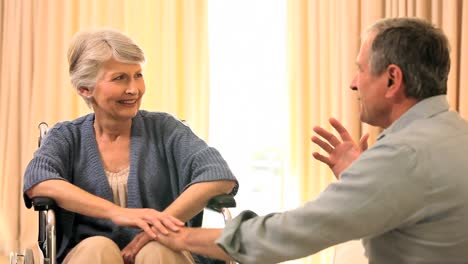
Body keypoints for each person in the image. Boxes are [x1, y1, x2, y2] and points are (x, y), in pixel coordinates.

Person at [154, 17, 468, 263]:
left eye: (360, 70)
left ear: (391, 79)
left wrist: (183, 237)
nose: (353, 83)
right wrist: (363, 178)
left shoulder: (403, 155)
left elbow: (295, 232)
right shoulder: (455, 133)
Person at [23, 28, 238, 264]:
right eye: (119, 78)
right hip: (89, 254)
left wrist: (157, 227)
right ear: (85, 89)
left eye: (138, 75)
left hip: (165, 251)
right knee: (98, 247)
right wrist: (119, 213)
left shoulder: (166, 130)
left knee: (157, 249)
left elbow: (219, 176)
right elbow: (38, 180)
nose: (134, 89)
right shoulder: (67, 137)